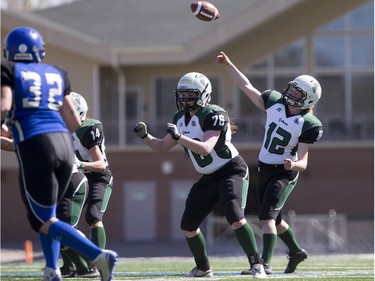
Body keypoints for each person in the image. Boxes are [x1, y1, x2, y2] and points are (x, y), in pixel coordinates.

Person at [1, 26, 117, 281]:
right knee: (48, 214)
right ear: (39, 50)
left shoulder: (8, 70)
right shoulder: (57, 73)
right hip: (64, 147)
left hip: (36, 146)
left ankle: (98, 256)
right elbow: (74, 121)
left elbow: (5, 105)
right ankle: (52, 269)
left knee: (40, 219)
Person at [133, 72, 266, 278]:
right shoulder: (179, 118)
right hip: (208, 176)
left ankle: (257, 265)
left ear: (204, 94)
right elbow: (161, 146)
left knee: (234, 217)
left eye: (190, 94)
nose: (185, 98)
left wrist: (179, 137)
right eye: (182, 94)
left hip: (231, 170)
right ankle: (203, 268)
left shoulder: (214, 114)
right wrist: (145, 136)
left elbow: (205, 148)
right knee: (188, 225)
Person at [217, 51, 323, 274]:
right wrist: (229, 64)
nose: (291, 92)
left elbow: (303, 161)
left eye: (298, 91)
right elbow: (246, 87)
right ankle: (296, 251)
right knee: (275, 220)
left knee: (266, 218)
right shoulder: (275, 103)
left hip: (283, 173)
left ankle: (263, 265)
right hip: (264, 169)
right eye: (292, 87)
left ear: (307, 99)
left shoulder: (308, 123)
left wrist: (292, 165)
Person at [69, 92, 113, 256]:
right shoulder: (64, 130)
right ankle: (70, 264)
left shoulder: (88, 129)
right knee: (63, 219)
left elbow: (101, 165)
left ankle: (98, 259)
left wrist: (80, 164)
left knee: (93, 216)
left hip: (98, 178)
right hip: (77, 178)